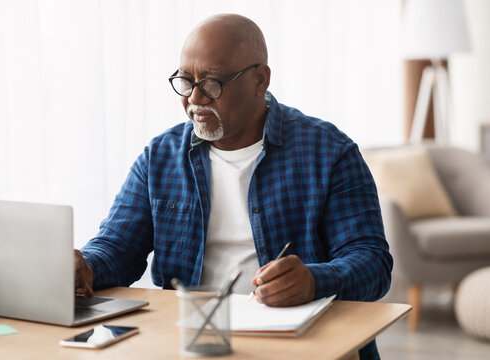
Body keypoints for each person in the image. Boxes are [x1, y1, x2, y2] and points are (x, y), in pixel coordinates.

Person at [75, 13, 392, 359]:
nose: (195, 99)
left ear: (260, 80)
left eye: (212, 83)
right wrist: (85, 267)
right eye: (185, 81)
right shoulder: (160, 157)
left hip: (299, 343)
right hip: (191, 342)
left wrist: (315, 281)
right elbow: (118, 246)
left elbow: (372, 262)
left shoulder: (329, 152)